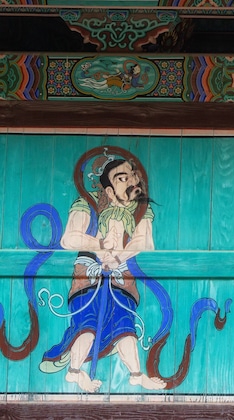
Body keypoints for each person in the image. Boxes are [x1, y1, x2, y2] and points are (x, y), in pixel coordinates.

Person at [39, 154, 166, 392]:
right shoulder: (87, 202)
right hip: (90, 272)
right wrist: (101, 246)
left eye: (132, 175)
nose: (131, 181)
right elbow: (69, 238)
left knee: (124, 324)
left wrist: (117, 256)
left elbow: (144, 241)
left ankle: (137, 375)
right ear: (108, 190)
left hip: (121, 273)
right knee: (87, 324)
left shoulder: (140, 209)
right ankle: (75, 373)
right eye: (121, 178)